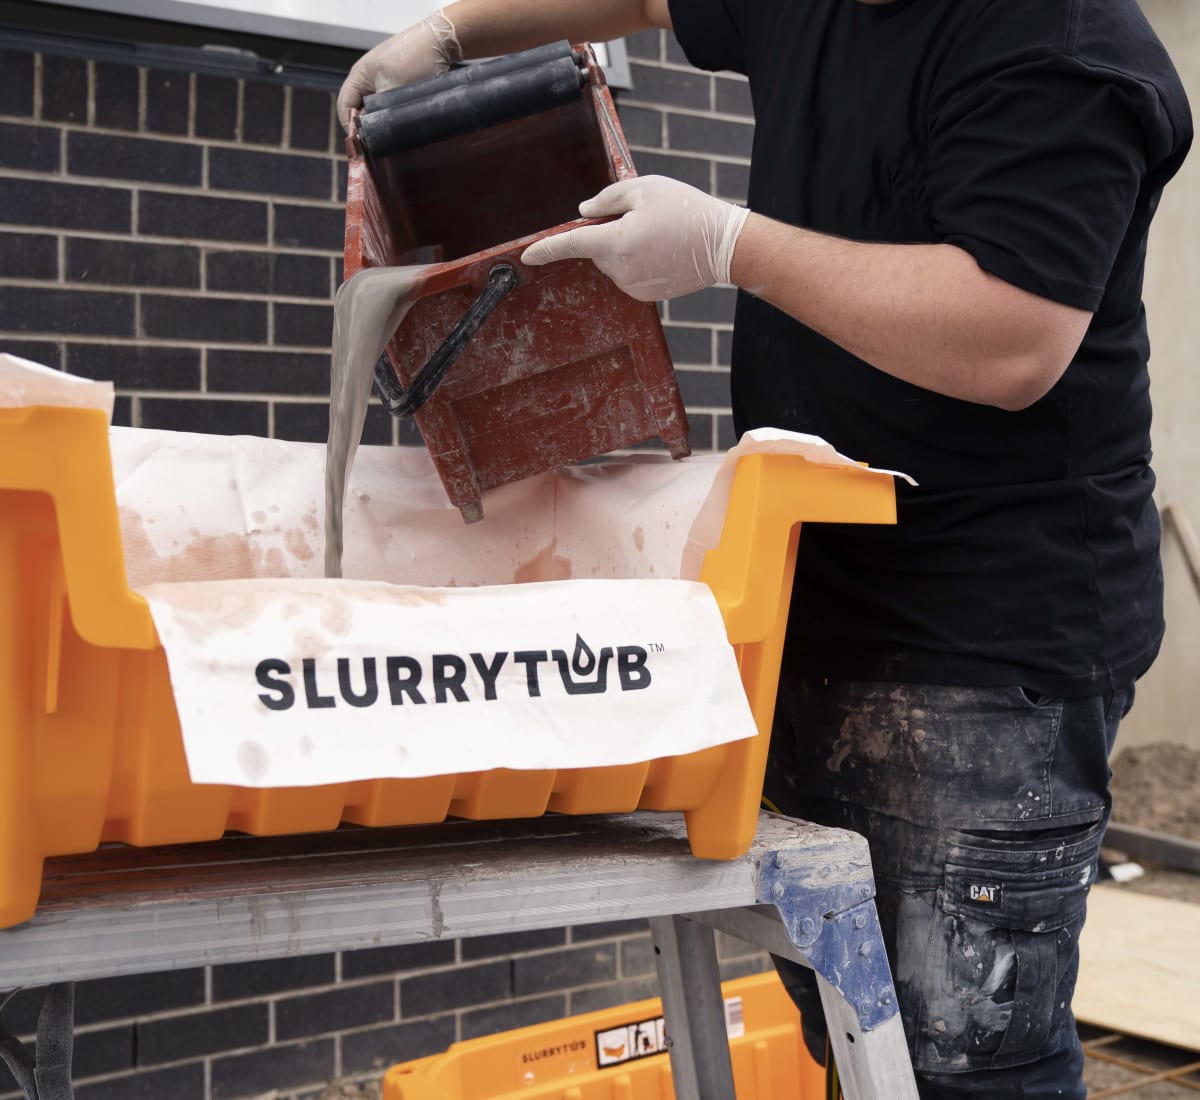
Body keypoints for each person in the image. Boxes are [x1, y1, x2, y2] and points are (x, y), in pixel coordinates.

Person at [339, 2, 1192, 1096]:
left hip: (985, 647)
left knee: (967, 1064)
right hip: (812, 599)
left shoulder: (1059, 45)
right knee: (856, 1037)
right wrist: (454, 35)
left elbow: (1014, 334)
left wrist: (724, 243)